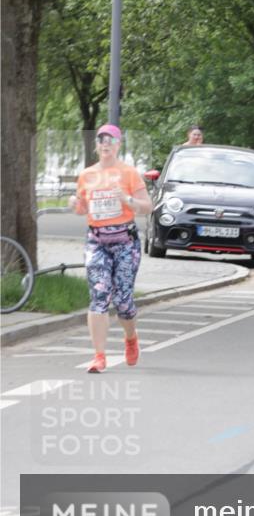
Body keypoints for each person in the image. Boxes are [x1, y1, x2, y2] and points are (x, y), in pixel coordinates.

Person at [69, 123, 153, 373]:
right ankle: (99, 356)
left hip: (125, 241)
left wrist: (126, 199)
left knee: (124, 300)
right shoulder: (86, 175)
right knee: (99, 295)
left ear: (118, 145)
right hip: (97, 241)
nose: (105, 144)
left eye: (110, 140)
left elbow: (147, 207)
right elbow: (83, 208)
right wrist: (75, 203)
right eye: (101, 140)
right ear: (96, 145)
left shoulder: (129, 173)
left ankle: (130, 339)